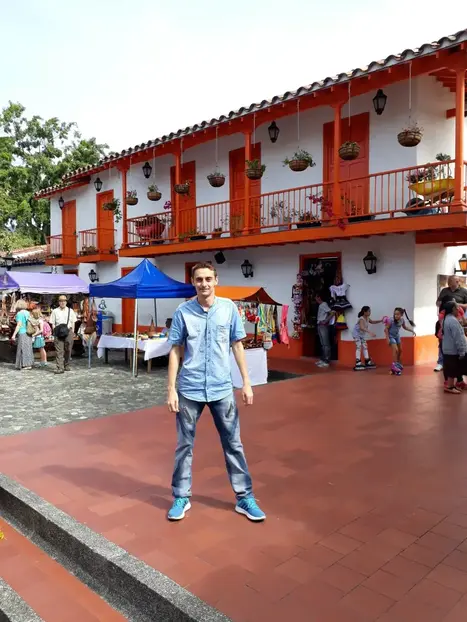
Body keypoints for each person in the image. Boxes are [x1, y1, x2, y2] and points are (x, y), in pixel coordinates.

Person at [166, 261, 265, 522]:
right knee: (184, 445)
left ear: (216, 280)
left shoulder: (228, 309)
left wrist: (246, 382)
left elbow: (237, 345)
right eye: (199, 279)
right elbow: (175, 350)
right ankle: (181, 496)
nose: (204, 284)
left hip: (222, 388)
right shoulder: (183, 312)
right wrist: (171, 389)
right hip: (189, 388)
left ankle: (244, 497)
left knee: (233, 443)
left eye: (208, 279)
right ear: (193, 282)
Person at [435, 276, 467, 372]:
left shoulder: (464, 291)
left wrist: (456, 304)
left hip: (459, 318)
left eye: (451, 281)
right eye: (449, 281)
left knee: (458, 338)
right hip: (445, 317)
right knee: (442, 340)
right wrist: (443, 303)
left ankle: (459, 360)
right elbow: (438, 303)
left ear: (457, 281)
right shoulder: (444, 291)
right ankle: (441, 362)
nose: (449, 282)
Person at [441, 300, 466, 394]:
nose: (458, 309)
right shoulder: (452, 321)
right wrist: (462, 351)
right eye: (456, 308)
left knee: (452, 368)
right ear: (452, 309)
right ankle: (450, 386)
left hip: (448, 349)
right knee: (452, 368)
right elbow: (458, 337)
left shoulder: (447, 319)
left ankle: (451, 385)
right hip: (453, 349)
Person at [50, 295, 77, 375]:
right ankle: (60, 368)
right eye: (61, 301)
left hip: (68, 331)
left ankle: (66, 364)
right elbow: (52, 322)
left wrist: (73, 332)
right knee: (59, 350)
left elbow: (73, 322)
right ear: (59, 302)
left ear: (66, 302)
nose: (62, 302)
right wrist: (55, 331)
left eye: (64, 301)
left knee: (68, 349)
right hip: (58, 332)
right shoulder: (55, 311)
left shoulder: (70, 311)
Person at [384, 307, 416, 374]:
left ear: (401, 315)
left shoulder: (402, 320)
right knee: (395, 350)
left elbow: (405, 327)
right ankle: (394, 365)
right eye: (395, 314)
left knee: (400, 350)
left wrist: (412, 331)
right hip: (391, 336)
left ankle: (397, 363)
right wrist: (387, 339)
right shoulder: (391, 320)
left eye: (398, 314)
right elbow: (386, 329)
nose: (396, 316)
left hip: (397, 336)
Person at [352, 306, 382, 371]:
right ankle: (358, 361)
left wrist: (381, 320)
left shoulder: (367, 318)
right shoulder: (361, 319)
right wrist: (370, 332)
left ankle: (367, 360)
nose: (370, 312)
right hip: (356, 334)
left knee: (365, 346)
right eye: (368, 311)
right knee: (359, 346)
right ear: (364, 312)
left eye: (370, 311)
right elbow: (362, 327)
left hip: (362, 335)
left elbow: (373, 322)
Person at [11, 299, 34, 370]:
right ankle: (29, 364)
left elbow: (19, 325)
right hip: (29, 332)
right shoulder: (28, 312)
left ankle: (24, 364)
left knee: (21, 349)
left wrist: (14, 334)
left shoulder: (19, 314)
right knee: (28, 348)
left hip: (22, 332)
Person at [315, 293, 334, 368]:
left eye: (316, 297)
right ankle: (323, 359)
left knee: (326, 344)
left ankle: (326, 360)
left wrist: (326, 321)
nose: (315, 299)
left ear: (319, 297)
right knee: (323, 344)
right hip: (320, 325)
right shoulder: (321, 305)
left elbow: (332, 313)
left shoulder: (323, 304)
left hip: (323, 326)